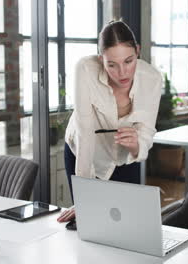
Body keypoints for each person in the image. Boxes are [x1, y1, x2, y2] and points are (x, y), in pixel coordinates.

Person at [57, 21, 162, 223]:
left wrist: (136, 144)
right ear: (101, 60)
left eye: (129, 61)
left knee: (125, 224)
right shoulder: (85, 70)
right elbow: (85, 133)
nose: (122, 73)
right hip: (85, 156)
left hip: (124, 158)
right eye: (111, 64)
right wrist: (83, 199)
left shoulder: (152, 79)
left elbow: (146, 131)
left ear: (137, 51)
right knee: (89, 220)